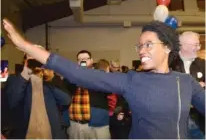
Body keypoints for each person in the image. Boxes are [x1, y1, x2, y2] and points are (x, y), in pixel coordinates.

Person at [3, 19, 205, 139]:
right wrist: (26, 46)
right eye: (139, 46)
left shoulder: (185, 82)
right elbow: (79, 74)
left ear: (168, 47)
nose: (142, 50)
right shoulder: (132, 80)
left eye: (148, 45)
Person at [3, 47, 71, 139]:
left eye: (38, 56)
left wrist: (50, 80)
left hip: (51, 134)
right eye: (32, 55)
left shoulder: (52, 79)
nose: (36, 59)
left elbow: (66, 101)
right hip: (25, 134)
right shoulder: (15, 79)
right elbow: (12, 101)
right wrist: (26, 72)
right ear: (25, 60)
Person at [170, 31, 205, 138]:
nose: (198, 48)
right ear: (184, 45)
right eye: (196, 45)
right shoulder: (169, 63)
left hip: (198, 117)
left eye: (199, 45)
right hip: (175, 117)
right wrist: (193, 87)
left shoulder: (203, 64)